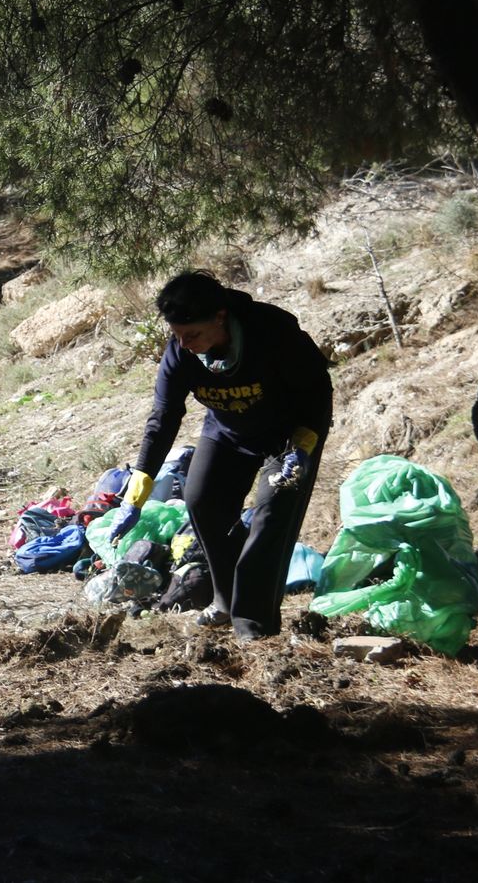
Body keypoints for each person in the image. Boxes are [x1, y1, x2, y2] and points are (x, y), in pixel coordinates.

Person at [122, 270, 333, 643]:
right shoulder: (181, 353)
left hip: (287, 441)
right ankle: (226, 600)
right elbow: (164, 416)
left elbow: (317, 392)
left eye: (193, 335)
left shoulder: (273, 333)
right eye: (177, 336)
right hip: (227, 432)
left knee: (270, 522)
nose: (184, 345)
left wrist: (302, 445)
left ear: (220, 317)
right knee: (202, 502)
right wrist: (139, 487)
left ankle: (255, 630)